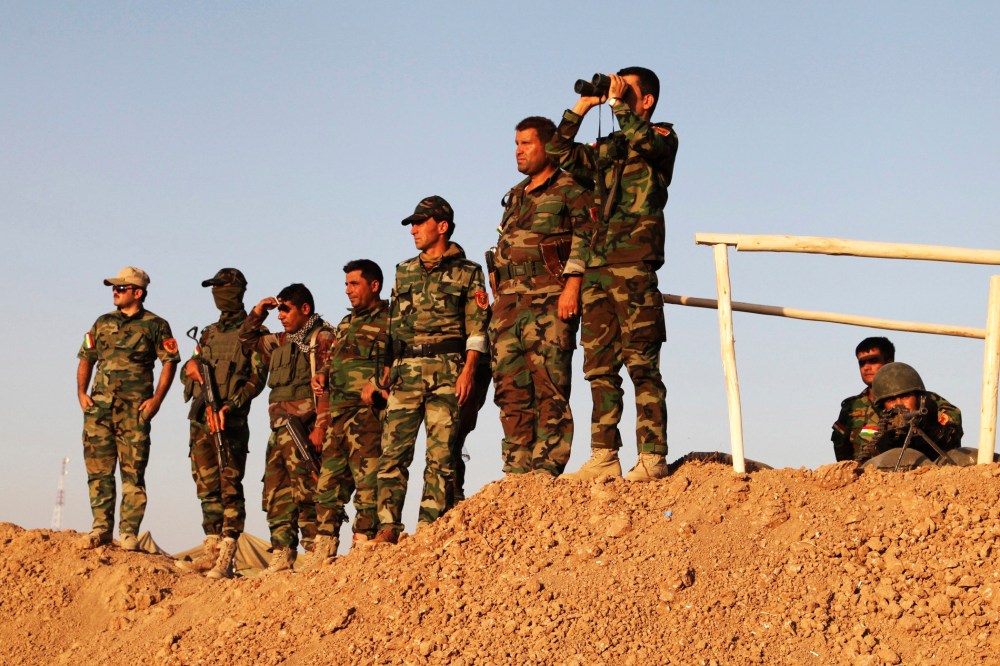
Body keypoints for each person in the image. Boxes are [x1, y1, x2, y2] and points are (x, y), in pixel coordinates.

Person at [547, 66, 678, 481]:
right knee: (599, 368)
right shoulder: (608, 147)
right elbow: (558, 153)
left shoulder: (661, 137)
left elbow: (645, 142)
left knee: (642, 364)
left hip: (635, 264)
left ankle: (652, 456)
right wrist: (584, 105)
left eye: (627, 89)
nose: (616, 93)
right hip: (597, 267)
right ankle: (604, 454)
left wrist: (620, 105)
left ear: (647, 100)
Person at [373, 196, 489, 544]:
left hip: (447, 370)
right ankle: (387, 527)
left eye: (419, 223)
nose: (413, 230)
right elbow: (394, 326)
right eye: (411, 224)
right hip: (406, 372)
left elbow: (477, 328)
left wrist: (468, 372)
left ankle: (429, 527)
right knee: (393, 453)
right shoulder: (403, 270)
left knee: (440, 454)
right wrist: (387, 370)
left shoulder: (469, 272)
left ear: (441, 226)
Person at [488, 116, 593, 476]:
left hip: (549, 298)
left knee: (549, 383)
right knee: (509, 387)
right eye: (516, 144)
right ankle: (516, 467)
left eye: (526, 144)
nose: (518, 151)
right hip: (508, 304)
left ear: (547, 146)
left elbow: (585, 236)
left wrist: (573, 286)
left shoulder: (570, 187)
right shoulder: (515, 195)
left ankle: (547, 464)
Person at [76, 267, 179, 550]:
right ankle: (101, 528)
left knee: (133, 474)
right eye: (114, 288)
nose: (115, 292)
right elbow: (86, 357)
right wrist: (82, 393)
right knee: (98, 471)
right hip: (99, 409)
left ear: (138, 292)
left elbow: (170, 362)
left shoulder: (156, 325)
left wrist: (157, 400)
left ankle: (129, 533)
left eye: (121, 288)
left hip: (135, 410)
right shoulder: (102, 322)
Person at [175, 268, 269, 579]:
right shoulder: (208, 333)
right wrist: (190, 369)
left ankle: (228, 552)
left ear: (237, 290)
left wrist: (231, 406)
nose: (217, 294)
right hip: (202, 418)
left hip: (230, 420)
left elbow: (257, 379)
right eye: (214, 288)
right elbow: (188, 369)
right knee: (205, 484)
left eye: (222, 287)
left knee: (230, 483)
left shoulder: (253, 332)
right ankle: (212, 547)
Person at [239, 283, 334, 572]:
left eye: (285, 309)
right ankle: (282, 551)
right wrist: (259, 312)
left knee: (307, 490)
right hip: (279, 429)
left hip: (305, 428)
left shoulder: (322, 338)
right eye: (278, 310)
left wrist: (321, 427)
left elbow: (329, 384)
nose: (280, 315)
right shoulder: (281, 341)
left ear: (305, 309)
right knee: (276, 492)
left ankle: (314, 548)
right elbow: (246, 339)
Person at [308, 260, 389, 562]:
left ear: (374, 286)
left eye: (354, 284)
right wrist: (322, 375)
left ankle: (363, 547)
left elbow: (399, 360)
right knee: (327, 485)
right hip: (338, 416)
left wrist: (379, 384)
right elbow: (334, 361)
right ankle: (324, 547)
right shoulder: (345, 323)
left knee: (368, 484)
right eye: (346, 284)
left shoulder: (391, 319)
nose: (348, 290)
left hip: (368, 415)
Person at [860, 362, 963, 469]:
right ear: (882, 405)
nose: (899, 404)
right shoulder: (876, 419)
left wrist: (932, 428)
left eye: (905, 397)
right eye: (891, 400)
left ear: (918, 397)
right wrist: (883, 442)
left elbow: (953, 423)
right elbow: (864, 453)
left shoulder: (932, 403)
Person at [830, 337, 895, 462]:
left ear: (889, 362)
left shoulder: (911, 400)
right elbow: (840, 447)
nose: (866, 367)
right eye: (862, 363)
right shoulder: (851, 407)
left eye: (873, 361)